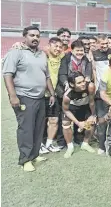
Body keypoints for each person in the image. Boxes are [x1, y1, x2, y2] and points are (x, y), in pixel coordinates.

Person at [2, 26, 56, 172]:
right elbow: (7, 74)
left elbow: (47, 76)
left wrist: (51, 93)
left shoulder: (41, 54)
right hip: (24, 97)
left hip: (40, 97)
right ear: (25, 36)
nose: (35, 38)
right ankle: (25, 159)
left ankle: (35, 154)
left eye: (38, 36)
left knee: (38, 128)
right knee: (26, 129)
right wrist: (13, 96)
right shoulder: (16, 52)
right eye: (32, 35)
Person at [57, 40, 94, 148]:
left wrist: (86, 80)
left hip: (81, 88)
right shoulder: (66, 58)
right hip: (69, 87)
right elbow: (62, 73)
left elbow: (88, 73)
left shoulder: (86, 59)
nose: (79, 53)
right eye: (77, 51)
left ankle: (79, 138)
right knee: (65, 116)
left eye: (81, 51)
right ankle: (63, 141)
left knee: (82, 113)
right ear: (72, 50)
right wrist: (66, 84)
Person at [61, 72, 97, 158]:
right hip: (72, 108)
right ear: (72, 84)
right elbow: (65, 110)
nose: (83, 84)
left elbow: (91, 102)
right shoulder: (67, 95)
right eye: (79, 83)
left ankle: (85, 143)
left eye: (83, 81)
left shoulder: (90, 86)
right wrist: (78, 123)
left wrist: (93, 115)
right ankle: (70, 147)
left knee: (92, 122)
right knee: (65, 123)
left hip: (85, 106)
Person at [40, 37, 65, 154]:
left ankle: (48, 144)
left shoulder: (61, 57)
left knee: (54, 120)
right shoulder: (42, 56)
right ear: (49, 46)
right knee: (40, 121)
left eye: (60, 47)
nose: (58, 49)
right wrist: (19, 44)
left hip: (53, 95)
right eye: (56, 46)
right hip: (41, 94)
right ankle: (39, 144)